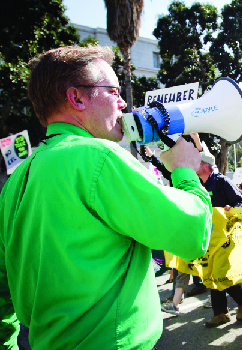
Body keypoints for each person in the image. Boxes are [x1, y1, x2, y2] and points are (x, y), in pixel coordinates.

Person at [0, 46, 212, 349]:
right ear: (77, 98)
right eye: (112, 91)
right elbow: (192, 235)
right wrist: (184, 170)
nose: (123, 102)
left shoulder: (16, 180)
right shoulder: (98, 156)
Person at [191, 140, 242, 328]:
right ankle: (221, 313)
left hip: (226, 236)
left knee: (218, 272)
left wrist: (231, 208)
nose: (193, 166)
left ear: (206, 166)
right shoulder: (197, 185)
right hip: (209, 236)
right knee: (210, 273)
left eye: (197, 163)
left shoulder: (222, 181)